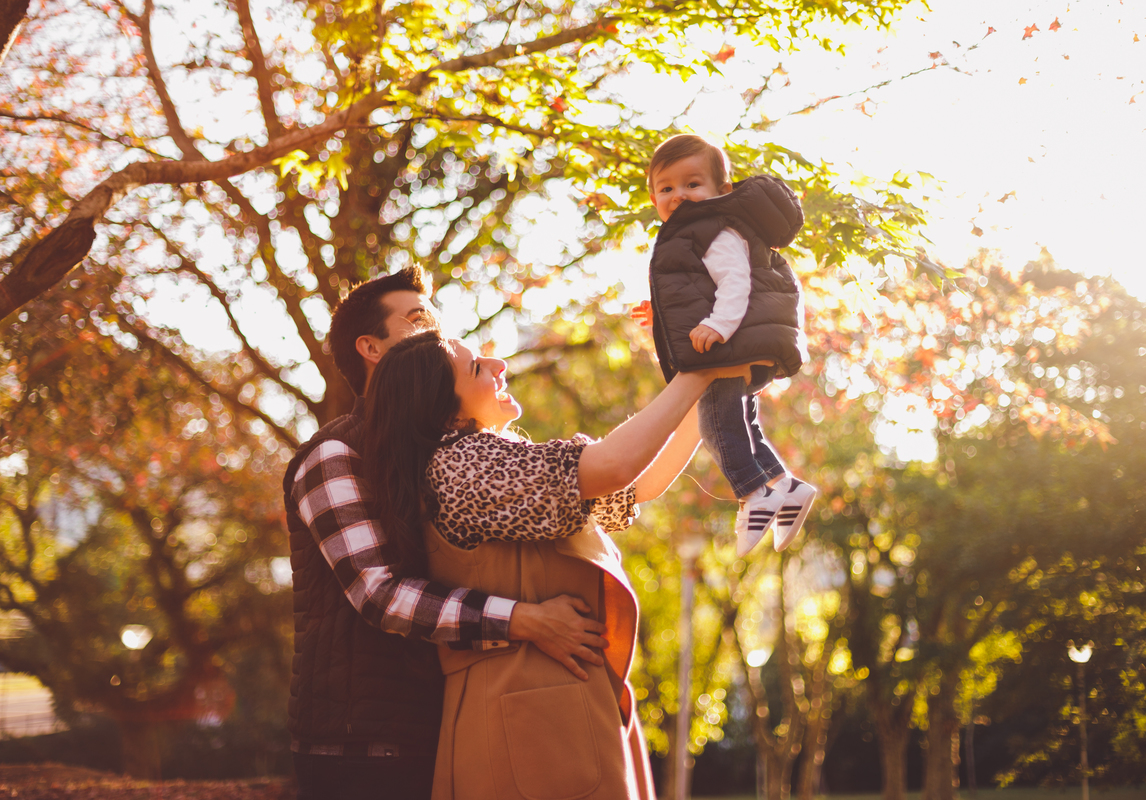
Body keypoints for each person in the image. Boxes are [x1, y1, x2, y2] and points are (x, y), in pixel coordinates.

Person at [362, 330, 761, 799]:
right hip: (528, 721)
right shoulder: (461, 466)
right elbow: (614, 466)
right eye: (476, 367)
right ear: (445, 409)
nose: (498, 364)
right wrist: (699, 372)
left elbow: (636, 484)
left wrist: (708, 389)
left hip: (550, 710)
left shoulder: (498, 463)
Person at [283, 269, 612, 800]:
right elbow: (381, 594)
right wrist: (526, 620)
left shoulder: (445, 453)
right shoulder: (335, 454)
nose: (439, 333)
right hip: (361, 747)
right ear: (371, 348)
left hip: (447, 718)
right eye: (419, 321)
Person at [635, 133, 818, 557]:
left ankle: (754, 494)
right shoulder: (692, 232)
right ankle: (786, 486)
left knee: (715, 423)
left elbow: (736, 280)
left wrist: (718, 325)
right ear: (653, 198)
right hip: (741, 341)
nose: (679, 195)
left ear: (723, 191)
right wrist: (659, 313)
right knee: (744, 423)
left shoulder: (714, 228)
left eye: (692, 184)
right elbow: (697, 288)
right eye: (666, 188)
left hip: (732, 339)